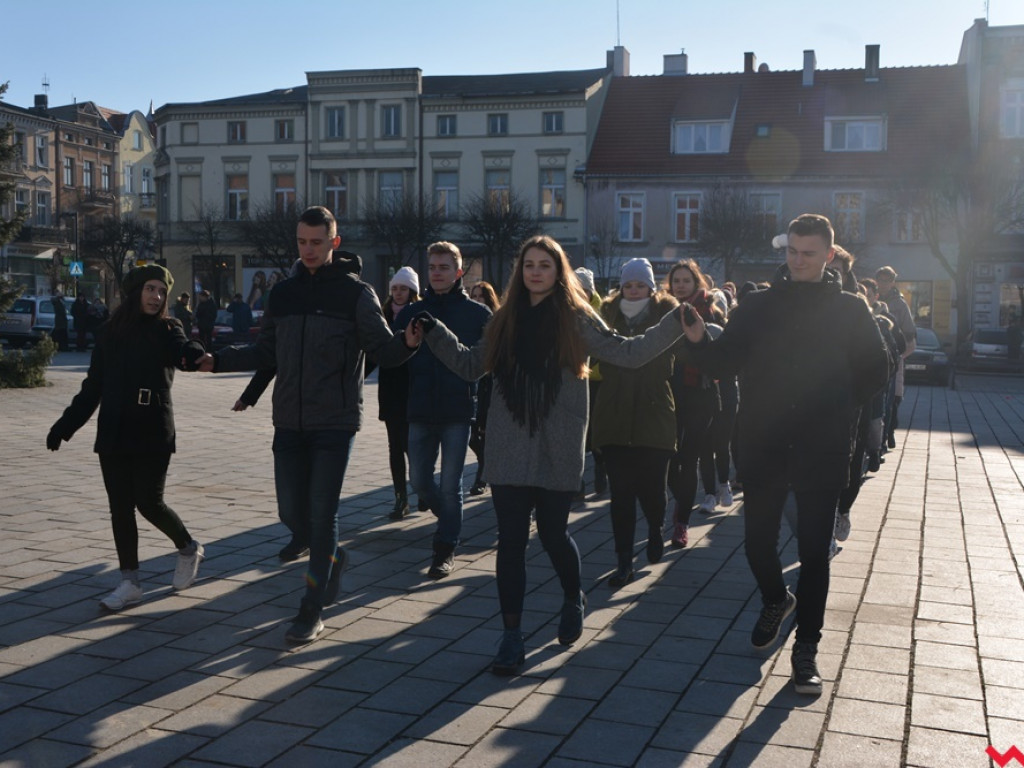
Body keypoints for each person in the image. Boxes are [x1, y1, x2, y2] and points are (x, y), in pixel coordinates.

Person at [404, 234, 688, 676]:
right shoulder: (504, 321)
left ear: (559, 272)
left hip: (557, 443)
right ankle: (511, 636)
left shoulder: (575, 318)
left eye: (545, 265)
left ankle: (573, 596)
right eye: (529, 265)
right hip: (510, 444)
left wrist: (675, 324)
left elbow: (627, 354)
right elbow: (469, 365)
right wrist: (435, 333)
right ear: (521, 272)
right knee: (512, 542)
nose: (536, 272)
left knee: (555, 535)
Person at [681, 214, 890, 695]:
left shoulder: (849, 309)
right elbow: (724, 362)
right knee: (756, 544)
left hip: (823, 445)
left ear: (829, 256)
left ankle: (806, 652)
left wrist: (838, 405)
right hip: (764, 441)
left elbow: (876, 367)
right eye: (793, 251)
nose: (798, 261)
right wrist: (697, 343)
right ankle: (777, 599)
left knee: (814, 554)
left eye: (809, 253)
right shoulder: (757, 306)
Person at [197, 206, 415, 644]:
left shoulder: (357, 295)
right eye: (302, 242)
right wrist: (216, 360)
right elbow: (265, 353)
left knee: (322, 513)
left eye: (317, 242)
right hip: (289, 421)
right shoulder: (284, 293)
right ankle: (332, 559)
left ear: (334, 243)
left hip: (334, 422)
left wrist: (407, 344)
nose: (309, 249)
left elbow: (384, 352)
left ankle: (310, 609)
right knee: (291, 513)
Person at [46, 265, 207, 611]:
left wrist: (192, 353)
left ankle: (188, 548)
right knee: (120, 507)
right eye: (150, 289)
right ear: (135, 292)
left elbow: (183, 349)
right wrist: (65, 425)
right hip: (115, 429)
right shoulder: (108, 333)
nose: (157, 297)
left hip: (152, 428)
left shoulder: (168, 328)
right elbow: (93, 387)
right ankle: (130, 582)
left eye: (161, 291)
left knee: (149, 502)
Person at [396, 242, 491, 579]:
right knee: (419, 481)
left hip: (457, 410)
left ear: (459, 272)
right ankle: (448, 516)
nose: (437, 273)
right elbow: (394, 356)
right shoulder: (411, 312)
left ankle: (445, 548)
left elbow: (483, 365)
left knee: (451, 486)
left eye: (444, 267)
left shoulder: (479, 315)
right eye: (432, 267)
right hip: (420, 407)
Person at [591, 258, 679, 588]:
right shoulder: (606, 316)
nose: (633, 290)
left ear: (651, 287)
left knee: (653, 491)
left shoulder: (666, 315)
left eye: (640, 284)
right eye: (628, 285)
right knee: (622, 495)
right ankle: (623, 562)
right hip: (614, 413)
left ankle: (656, 528)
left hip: (653, 413)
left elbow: (685, 354)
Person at [665, 259, 725, 547]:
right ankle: (680, 502)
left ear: (696, 282)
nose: (680, 285)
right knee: (668, 459)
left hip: (700, 395)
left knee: (688, 459)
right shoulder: (663, 312)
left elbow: (721, 355)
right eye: (676, 280)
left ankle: (681, 523)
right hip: (668, 393)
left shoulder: (710, 312)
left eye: (685, 280)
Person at [380, 266, 421, 519]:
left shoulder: (418, 315)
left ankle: (424, 489)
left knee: (412, 447)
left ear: (412, 291)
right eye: (394, 288)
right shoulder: (381, 315)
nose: (398, 293)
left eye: (403, 288)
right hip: (389, 390)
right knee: (395, 446)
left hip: (413, 388)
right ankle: (401, 499)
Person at [574, 267, 607, 497]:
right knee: (579, 436)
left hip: (599, 382)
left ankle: (601, 474)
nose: (579, 293)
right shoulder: (568, 311)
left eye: (583, 289)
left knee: (598, 433)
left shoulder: (601, 312)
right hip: (577, 380)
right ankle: (577, 483)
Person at [874, 266, 915, 449]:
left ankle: (889, 433)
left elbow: (909, 334)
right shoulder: (870, 298)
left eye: (886, 280)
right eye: (880, 280)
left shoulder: (899, 304)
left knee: (894, 399)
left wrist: (899, 355)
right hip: (875, 356)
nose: (882, 284)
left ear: (892, 282)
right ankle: (880, 436)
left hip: (894, 357)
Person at [468, 280, 501, 496]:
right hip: (471, 384)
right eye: (474, 296)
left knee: (484, 431)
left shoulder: (495, 322)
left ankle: (481, 475)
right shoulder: (468, 319)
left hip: (489, 385)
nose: (478, 300)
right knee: (472, 436)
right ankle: (485, 463)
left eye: (481, 296)